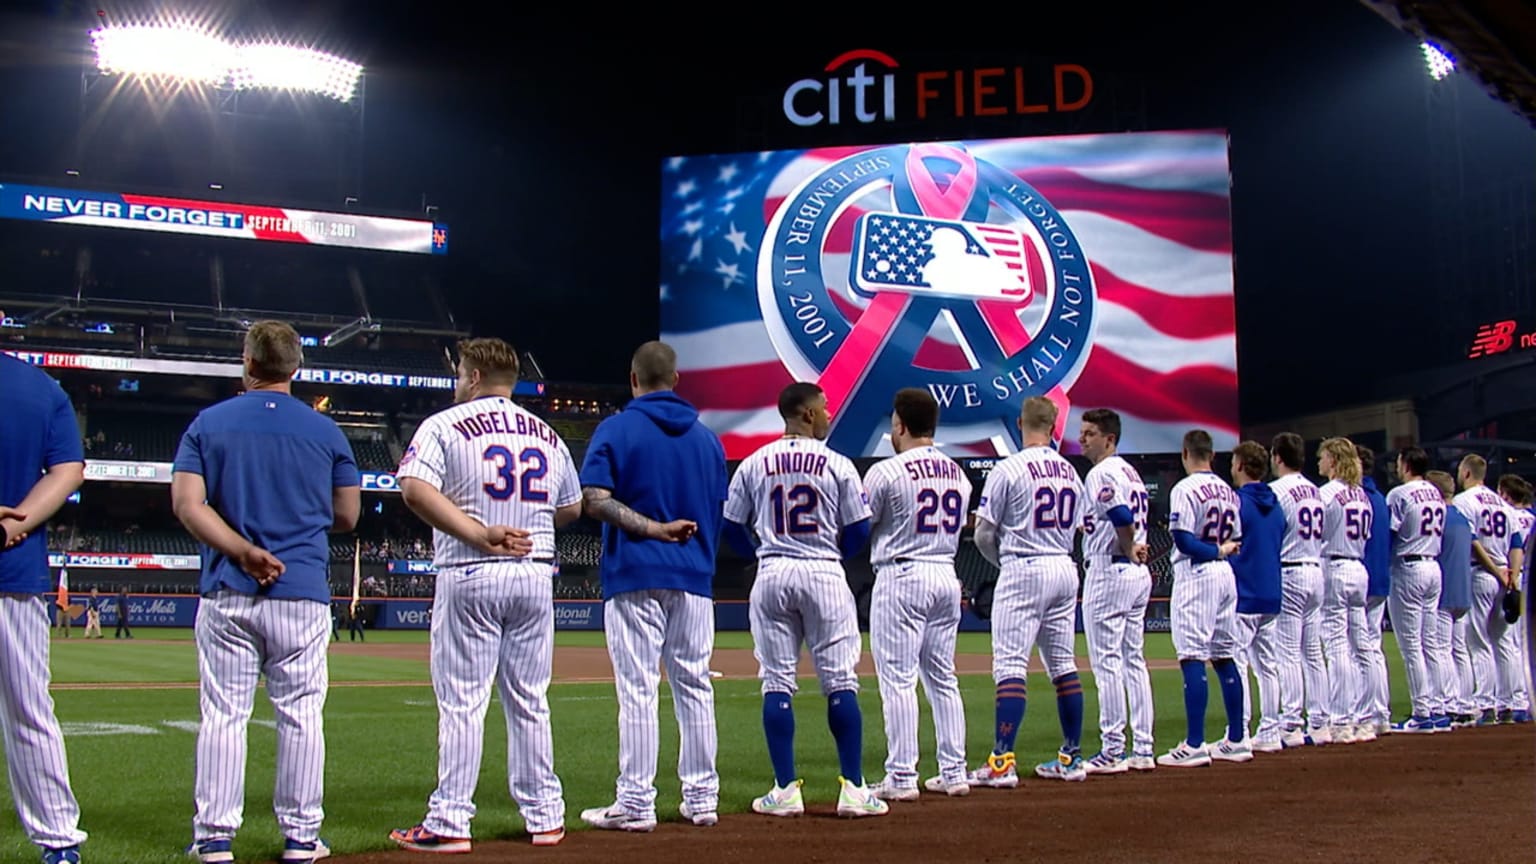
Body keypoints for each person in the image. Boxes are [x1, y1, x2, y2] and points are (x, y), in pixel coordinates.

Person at [174, 320, 361, 864]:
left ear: (249, 362)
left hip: (230, 589)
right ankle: (301, 838)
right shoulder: (327, 431)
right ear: (295, 368)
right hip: (301, 588)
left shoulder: (208, 423)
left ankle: (214, 838)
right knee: (301, 715)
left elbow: (188, 506)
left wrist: (241, 550)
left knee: (224, 714)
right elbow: (347, 514)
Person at [389, 337, 579, 851]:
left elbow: (413, 487)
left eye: (459, 374)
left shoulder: (443, 424)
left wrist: (478, 532)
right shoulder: (547, 433)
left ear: (472, 376)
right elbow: (572, 508)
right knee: (529, 699)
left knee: (463, 702)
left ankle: (450, 820)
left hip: (473, 568)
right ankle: (545, 816)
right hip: (535, 572)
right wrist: (528, 524)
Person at [577, 341, 726, 831]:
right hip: (695, 577)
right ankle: (703, 799)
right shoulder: (708, 441)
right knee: (695, 686)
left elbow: (594, 499)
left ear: (633, 379)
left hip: (636, 572)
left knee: (639, 689)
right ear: (676, 380)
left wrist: (649, 529)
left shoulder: (616, 428)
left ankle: (637, 802)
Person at [721, 382, 886, 818]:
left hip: (773, 570)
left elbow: (732, 527)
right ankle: (853, 788)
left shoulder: (755, 462)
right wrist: (830, 552)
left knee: (776, 681)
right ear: (808, 414)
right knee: (839, 681)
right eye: (825, 407)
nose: (829, 413)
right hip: (823, 572)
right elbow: (858, 530)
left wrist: (761, 549)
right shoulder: (838, 464)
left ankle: (784, 790)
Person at [966, 396, 1089, 784]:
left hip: (1023, 565)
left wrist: (1003, 561)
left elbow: (985, 532)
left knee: (1010, 666)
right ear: (1055, 426)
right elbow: (1081, 527)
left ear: (1020, 422)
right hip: (1062, 566)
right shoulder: (1070, 471)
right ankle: (1071, 757)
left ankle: (1002, 762)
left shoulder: (1010, 468)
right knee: (1064, 665)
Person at [0, 351, 90, 864]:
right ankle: (58, 842)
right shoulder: (41, 388)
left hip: (13, 573)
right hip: (13, 569)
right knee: (29, 712)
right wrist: (13, 526)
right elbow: (68, 471)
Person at [862, 388, 973, 798]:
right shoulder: (957, 474)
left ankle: (902, 775)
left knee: (898, 680)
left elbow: (862, 524)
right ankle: (954, 771)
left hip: (902, 573)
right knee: (943, 678)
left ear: (900, 425)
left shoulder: (886, 471)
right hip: (945, 571)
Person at [1157, 429, 1251, 767]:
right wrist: (1221, 550)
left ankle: (1195, 743)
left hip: (1198, 573)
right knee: (1225, 656)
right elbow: (1236, 539)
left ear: (1186, 453)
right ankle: (1238, 738)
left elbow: (1183, 541)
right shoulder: (1227, 489)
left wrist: (1213, 550)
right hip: (1225, 575)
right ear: (1211, 455)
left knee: (1192, 656)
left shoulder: (1185, 488)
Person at [1076, 408, 1156, 774]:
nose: (1082, 438)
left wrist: (1125, 546)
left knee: (1108, 663)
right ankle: (1143, 747)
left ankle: (1112, 749)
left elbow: (1120, 514)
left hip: (1111, 571)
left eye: (1090, 433)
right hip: (1135, 574)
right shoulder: (1130, 472)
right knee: (1133, 661)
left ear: (1109, 439)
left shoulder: (1103, 472)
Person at [1452, 454, 1526, 725]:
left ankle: (1486, 704)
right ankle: (1509, 703)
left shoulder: (1463, 501)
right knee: (1504, 642)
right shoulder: (1504, 504)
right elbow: (1517, 543)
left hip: (1481, 574)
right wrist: (1511, 577)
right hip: (1505, 575)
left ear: (1467, 473)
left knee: (1479, 641)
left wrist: (1497, 572)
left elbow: (1472, 542)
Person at [1268, 433, 1331, 746]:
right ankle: (1320, 722)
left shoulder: (1276, 490)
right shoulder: (1316, 491)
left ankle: (1291, 722)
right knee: (1313, 652)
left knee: (1288, 652)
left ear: (1278, 457)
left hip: (1290, 570)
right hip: (1315, 570)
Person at [1314, 437, 1375, 745]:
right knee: (1362, 647)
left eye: (1323, 458)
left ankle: (1341, 720)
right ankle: (1366, 719)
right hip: (1358, 567)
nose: (1319, 462)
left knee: (1337, 646)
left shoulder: (1326, 494)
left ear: (1334, 462)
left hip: (1334, 566)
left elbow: (1315, 533)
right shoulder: (1362, 496)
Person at [1385, 447, 1446, 732]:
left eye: (1399, 462)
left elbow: (1390, 533)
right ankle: (1437, 707)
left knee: (1411, 645)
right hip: (1434, 566)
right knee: (1430, 643)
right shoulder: (1435, 493)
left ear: (1406, 465)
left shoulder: (1399, 494)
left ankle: (1422, 712)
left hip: (1409, 566)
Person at [1228, 441, 1284, 753]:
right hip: (1272, 591)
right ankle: (1270, 731)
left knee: (1237, 662)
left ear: (1240, 466)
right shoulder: (1276, 503)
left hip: (1244, 591)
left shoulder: (1237, 502)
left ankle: (1240, 732)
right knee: (1267, 665)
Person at [1426, 470, 1475, 727]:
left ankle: (1447, 703)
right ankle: (1465, 703)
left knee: (1442, 650)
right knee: (1460, 651)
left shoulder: (1440, 517)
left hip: (1444, 591)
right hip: (1463, 591)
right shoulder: (1463, 519)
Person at [1355, 445, 1392, 737]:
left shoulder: (1358, 497)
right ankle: (1380, 712)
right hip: (1380, 579)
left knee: (1356, 649)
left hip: (1361, 579)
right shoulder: (1379, 497)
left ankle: (1362, 713)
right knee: (1372, 648)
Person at [1494, 474, 1533, 724]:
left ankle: (1515, 699)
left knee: (1509, 643)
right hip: (1531, 579)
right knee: (1526, 645)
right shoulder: (1533, 519)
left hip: (1514, 579)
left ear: (1506, 495)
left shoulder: (1509, 517)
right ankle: (1526, 700)